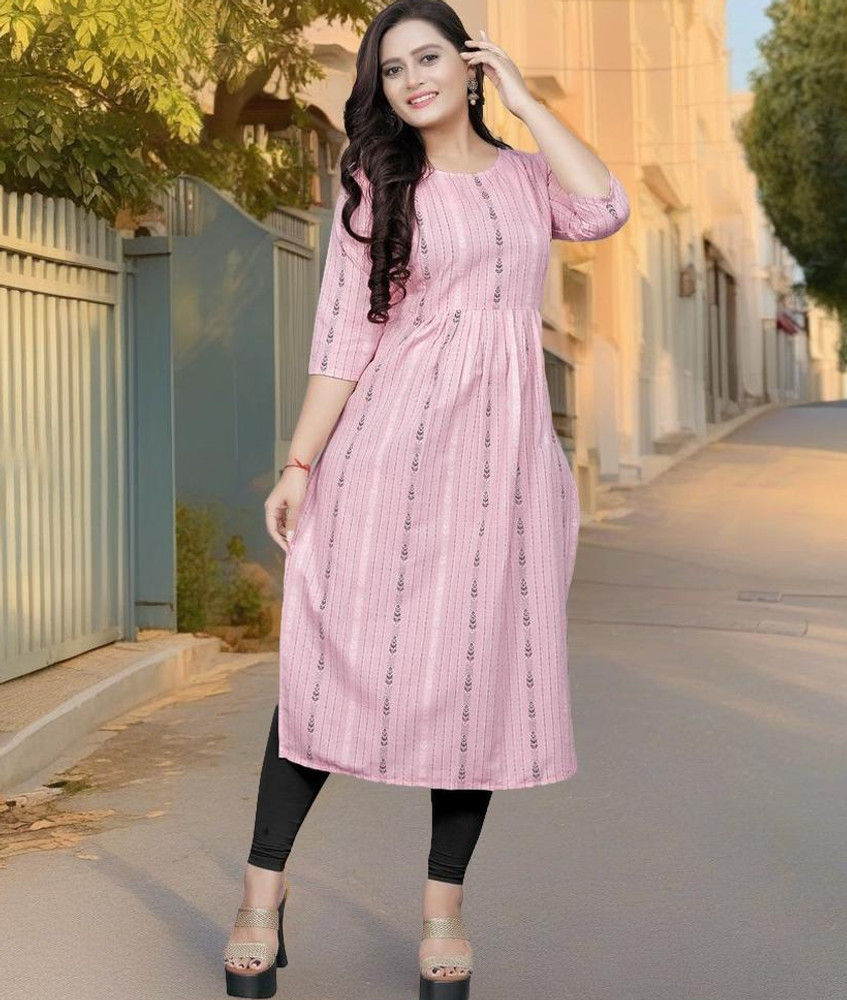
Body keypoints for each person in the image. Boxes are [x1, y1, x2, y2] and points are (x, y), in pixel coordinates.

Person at [223, 1, 630, 997]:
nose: (411, 79)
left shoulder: (529, 179)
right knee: (327, 665)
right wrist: (299, 465)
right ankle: (261, 894)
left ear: (470, 64)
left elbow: (606, 207)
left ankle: (443, 908)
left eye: (429, 57)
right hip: (389, 458)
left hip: (503, 475)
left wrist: (527, 101)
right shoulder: (378, 185)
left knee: (474, 679)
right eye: (393, 68)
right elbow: (341, 339)